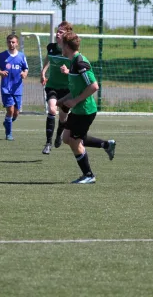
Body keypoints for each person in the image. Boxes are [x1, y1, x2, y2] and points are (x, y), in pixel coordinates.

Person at [57, 32, 116, 184]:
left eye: (62, 44)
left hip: (85, 111)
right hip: (78, 110)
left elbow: (94, 86)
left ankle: (88, 175)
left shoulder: (80, 63)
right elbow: (78, 87)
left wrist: (75, 101)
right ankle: (106, 144)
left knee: (75, 142)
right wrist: (63, 100)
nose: (60, 46)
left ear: (67, 46)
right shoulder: (74, 62)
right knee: (66, 138)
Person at [40, 21, 72, 154]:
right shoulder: (51, 47)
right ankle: (48, 143)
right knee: (52, 110)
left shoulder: (70, 50)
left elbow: (77, 69)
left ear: (67, 35)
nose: (57, 34)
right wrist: (43, 72)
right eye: (57, 31)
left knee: (63, 118)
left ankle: (59, 135)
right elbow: (48, 58)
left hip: (67, 89)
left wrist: (68, 71)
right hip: (52, 85)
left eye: (60, 32)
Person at [0, 34, 28, 141]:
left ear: (17, 43)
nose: (11, 44)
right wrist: (0, 72)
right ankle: (9, 134)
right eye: (9, 42)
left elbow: (26, 69)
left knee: (16, 113)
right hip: (6, 88)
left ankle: (7, 122)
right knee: (10, 111)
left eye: (13, 42)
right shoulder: (1, 55)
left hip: (18, 89)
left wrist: (24, 73)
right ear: (7, 43)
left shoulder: (21, 56)